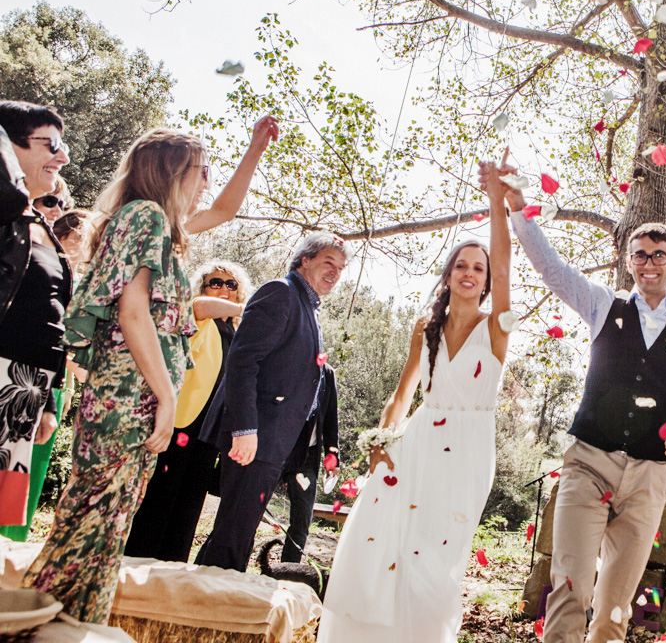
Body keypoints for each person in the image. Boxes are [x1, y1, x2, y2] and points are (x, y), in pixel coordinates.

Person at [24, 117, 279, 624]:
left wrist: (255, 148)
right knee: (96, 522)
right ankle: (46, 622)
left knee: (103, 521)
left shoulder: (156, 222)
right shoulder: (146, 218)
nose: (207, 181)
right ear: (171, 171)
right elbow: (133, 311)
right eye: (201, 171)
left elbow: (226, 210)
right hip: (128, 391)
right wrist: (166, 396)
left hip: (131, 391)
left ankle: (60, 621)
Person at [491, 162, 666, 643]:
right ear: (628, 261)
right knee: (570, 589)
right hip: (589, 464)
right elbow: (552, 269)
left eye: (659, 255)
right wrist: (520, 209)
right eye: (640, 255)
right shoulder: (604, 304)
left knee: (614, 609)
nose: (649, 263)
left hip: (648, 478)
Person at [317, 157, 513, 642]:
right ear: (448, 276)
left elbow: (507, 264)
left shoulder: (497, 327)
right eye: (460, 266)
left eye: (478, 268)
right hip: (418, 441)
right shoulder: (424, 328)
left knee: (439, 557)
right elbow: (402, 394)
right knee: (385, 540)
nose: (470, 273)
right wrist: (381, 441)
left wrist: (496, 200)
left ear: (487, 281)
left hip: (468, 450)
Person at [195, 232, 349, 572]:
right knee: (234, 531)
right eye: (328, 263)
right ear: (304, 260)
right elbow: (242, 361)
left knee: (236, 529)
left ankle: (203, 600)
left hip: (274, 441)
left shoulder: (307, 305)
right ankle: (211, 604)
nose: (335, 273)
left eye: (341, 267)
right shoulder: (281, 292)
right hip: (254, 436)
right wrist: (245, 429)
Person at [124, 261, 253, 562]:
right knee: (160, 498)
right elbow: (201, 306)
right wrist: (252, 309)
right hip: (182, 421)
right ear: (204, 288)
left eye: (231, 284)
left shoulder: (239, 334)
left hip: (212, 430)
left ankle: (171, 572)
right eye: (215, 282)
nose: (223, 288)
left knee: (190, 505)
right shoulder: (199, 317)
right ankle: (137, 564)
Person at [0, 101, 73, 539]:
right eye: (52, 144)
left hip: (26, 387)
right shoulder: (6, 211)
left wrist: (47, 399)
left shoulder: (38, 225)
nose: (62, 157)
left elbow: (52, 315)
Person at [276, 359, 337, 563]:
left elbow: (330, 420)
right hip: (276, 448)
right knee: (251, 511)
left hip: (307, 458)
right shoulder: (289, 362)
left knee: (302, 521)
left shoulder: (327, 374)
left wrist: (332, 457)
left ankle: (287, 573)